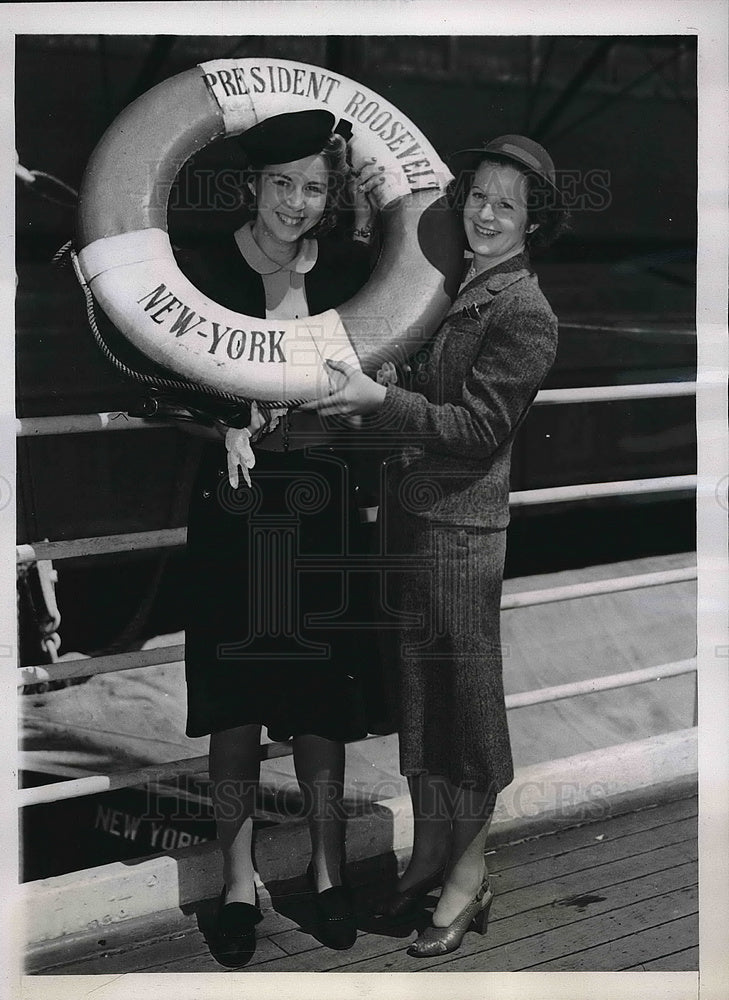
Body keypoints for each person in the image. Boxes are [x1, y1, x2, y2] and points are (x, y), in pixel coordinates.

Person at [301, 134, 569, 958]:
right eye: (477, 197)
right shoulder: (452, 288)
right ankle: (428, 857)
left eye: (505, 205)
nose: (484, 215)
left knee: (466, 719)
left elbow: (478, 429)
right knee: (421, 706)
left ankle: (467, 876)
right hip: (413, 525)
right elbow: (418, 393)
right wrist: (364, 399)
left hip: (460, 535)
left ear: (532, 222)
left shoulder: (524, 312)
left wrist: (380, 400)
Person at [177, 110, 387, 966]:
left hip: (323, 501)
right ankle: (236, 882)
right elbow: (157, 377)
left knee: (320, 703)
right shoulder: (196, 267)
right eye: (280, 186)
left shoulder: (344, 266)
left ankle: (329, 875)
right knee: (234, 700)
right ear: (250, 187)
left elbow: (388, 347)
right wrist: (220, 424)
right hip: (234, 501)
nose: (296, 204)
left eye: (313, 188)